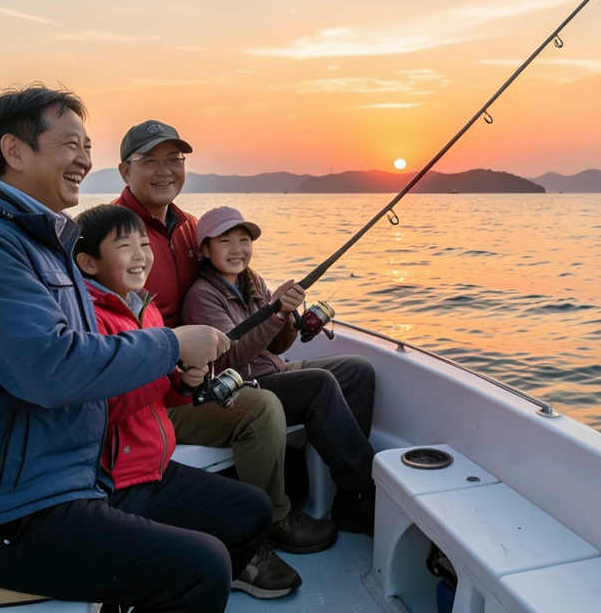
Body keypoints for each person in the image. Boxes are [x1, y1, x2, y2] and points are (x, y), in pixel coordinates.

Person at [0, 85, 268, 613]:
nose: (85, 159)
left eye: (87, 146)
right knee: (201, 566)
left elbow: (89, 360)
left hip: (81, 475)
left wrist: (174, 376)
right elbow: (52, 370)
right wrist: (172, 343)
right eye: (70, 145)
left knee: (248, 514)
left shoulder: (43, 242)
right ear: (15, 151)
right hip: (8, 513)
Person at [114, 121, 338, 554]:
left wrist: (280, 312)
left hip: (201, 376)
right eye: (150, 161)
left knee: (352, 372)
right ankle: (270, 523)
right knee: (263, 406)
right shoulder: (114, 232)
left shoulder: (188, 227)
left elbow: (247, 323)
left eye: (174, 159)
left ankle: (348, 495)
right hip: (156, 392)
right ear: (125, 170)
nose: (165, 170)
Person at [72, 203, 300, 599]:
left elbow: (165, 396)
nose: (141, 255)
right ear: (88, 263)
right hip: (117, 479)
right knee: (205, 561)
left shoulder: (146, 309)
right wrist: (168, 361)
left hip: (158, 465)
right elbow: (101, 405)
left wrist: (182, 382)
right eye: (125, 246)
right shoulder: (88, 318)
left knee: (255, 508)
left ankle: (235, 559)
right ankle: (225, 565)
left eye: (144, 244)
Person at [183, 206, 377, 535]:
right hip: (246, 386)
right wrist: (276, 314)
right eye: (225, 241)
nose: (237, 249)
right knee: (320, 384)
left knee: (359, 371)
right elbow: (231, 357)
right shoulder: (202, 296)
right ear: (205, 250)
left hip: (276, 370)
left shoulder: (253, 282)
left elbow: (277, 348)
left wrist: (287, 315)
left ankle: (344, 491)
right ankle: (360, 492)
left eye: (244, 240)